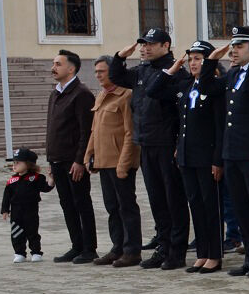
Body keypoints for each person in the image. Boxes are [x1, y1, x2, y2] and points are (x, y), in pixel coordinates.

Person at [145, 40, 226, 274]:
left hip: (207, 156)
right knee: (196, 205)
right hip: (187, 156)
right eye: (190, 59)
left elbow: (220, 127)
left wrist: (217, 159)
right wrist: (172, 69)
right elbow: (154, 91)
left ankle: (215, 254)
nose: (192, 63)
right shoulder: (185, 85)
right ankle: (202, 252)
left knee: (211, 206)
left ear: (210, 61)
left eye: (198, 59)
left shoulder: (215, 87)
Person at [110, 28, 188, 269]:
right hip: (146, 143)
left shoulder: (176, 71)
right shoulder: (142, 71)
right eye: (143, 44)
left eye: (151, 44)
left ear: (166, 45)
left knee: (173, 200)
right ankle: (163, 247)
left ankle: (177, 251)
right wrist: (119, 57)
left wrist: (178, 143)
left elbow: (180, 113)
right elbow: (118, 77)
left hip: (167, 144)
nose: (145, 48)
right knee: (156, 200)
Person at [210, 27, 249, 277]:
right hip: (232, 152)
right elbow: (208, 86)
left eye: (239, 46)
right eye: (232, 46)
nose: (233, 51)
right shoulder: (233, 74)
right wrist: (211, 60)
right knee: (241, 209)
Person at [84, 55, 142, 267]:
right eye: (96, 72)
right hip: (104, 160)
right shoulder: (101, 95)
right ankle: (117, 247)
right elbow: (95, 129)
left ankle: (132, 250)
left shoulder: (126, 95)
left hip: (120, 162)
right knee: (112, 207)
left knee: (126, 206)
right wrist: (89, 154)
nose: (98, 75)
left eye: (102, 71)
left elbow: (130, 133)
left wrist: (124, 163)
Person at [45, 49, 97, 263]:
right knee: (66, 204)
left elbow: (86, 131)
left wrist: (79, 160)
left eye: (58, 64)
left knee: (81, 203)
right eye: (53, 63)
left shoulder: (82, 93)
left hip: (73, 161)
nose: (53, 68)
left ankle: (89, 248)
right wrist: (50, 159)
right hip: (57, 159)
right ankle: (76, 246)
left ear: (71, 68)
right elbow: (52, 128)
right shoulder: (55, 92)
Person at [2, 147, 51, 261]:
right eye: (14, 162)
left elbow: (45, 188)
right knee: (16, 232)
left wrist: (51, 180)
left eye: (18, 162)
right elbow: (6, 197)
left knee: (32, 231)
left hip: (31, 210)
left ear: (29, 164)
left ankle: (36, 252)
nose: (14, 165)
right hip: (16, 211)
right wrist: (5, 210)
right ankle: (19, 253)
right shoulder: (11, 181)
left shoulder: (36, 178)